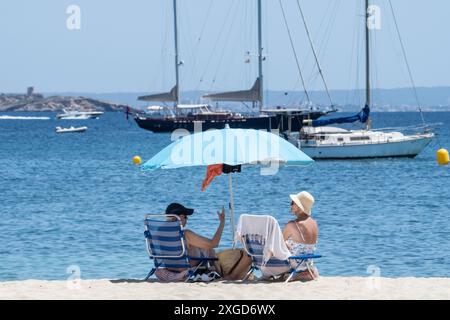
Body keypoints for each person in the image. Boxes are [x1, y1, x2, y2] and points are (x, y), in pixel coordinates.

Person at [157, 202, 251, 281]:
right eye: (186, 217)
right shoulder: (185, 234)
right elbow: (214, 243)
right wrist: (222, 223)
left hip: (170, 267)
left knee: (201, 247)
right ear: (180, 217)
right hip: (183, 268)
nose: (187, 220)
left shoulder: (159, 233)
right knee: (208, 248)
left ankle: (216, 272)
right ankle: (224, 275)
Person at [282, 191, 319, 281]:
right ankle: (305, 273)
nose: (290, 205)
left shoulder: (292, 225)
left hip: (296, 262)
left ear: (299, 207)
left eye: (292, 203)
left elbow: (279, 245)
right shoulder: (314, 223)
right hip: (307, 262)